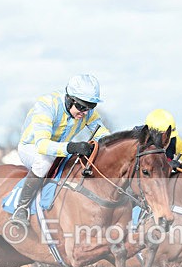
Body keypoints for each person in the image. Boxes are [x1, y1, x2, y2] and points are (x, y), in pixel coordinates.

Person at [11, 74, 110, 228]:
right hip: (32, 148)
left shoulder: (86, 112)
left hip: (60, 150)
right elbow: (43, 146)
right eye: (82, 107)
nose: (85, 112)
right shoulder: (46, 105)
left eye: (90, 107)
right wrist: (72, 147)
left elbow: (104, 135)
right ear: (69, 99)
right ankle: (22, 207)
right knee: (45, 161)